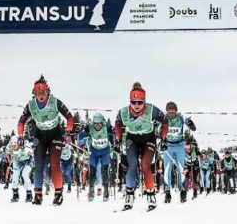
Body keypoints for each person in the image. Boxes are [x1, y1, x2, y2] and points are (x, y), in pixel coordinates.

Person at [16, 75, 74, 206]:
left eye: (43, 93)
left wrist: (68, 132)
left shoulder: (55, 102)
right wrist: (20, 136)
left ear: (48, 91)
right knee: (39, 165)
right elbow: (21, 122)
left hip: (55, 134)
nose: (41, 96)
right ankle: (38, 195)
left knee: (54, 165)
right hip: (40, 135)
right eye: (38, 93)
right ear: (34, 93)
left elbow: (69, 117)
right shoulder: (31, 105)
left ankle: (58, 193)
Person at [114, 82, 167, 211]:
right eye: (133, 102)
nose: (136, 105)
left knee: (145, 165)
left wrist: (163, 137)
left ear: (144, 101)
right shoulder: (124, 112)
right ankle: (129, 196)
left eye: (140, 102)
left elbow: (165, 121)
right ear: (130, 101)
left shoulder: (152, 110)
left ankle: (150, 196)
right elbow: (117, 125)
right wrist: (118, 140)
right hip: (132, 139)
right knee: (132, 165)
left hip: (148, 139)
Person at [162, 101, 196, 203]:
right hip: (168, 146)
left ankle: (183, 191)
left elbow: (193, 127)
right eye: (169, 111)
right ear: (167, 111)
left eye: (173, 111)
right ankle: (167, 193)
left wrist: (190, 124)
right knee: (167, 169)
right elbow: (157, 131)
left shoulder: (181, 117)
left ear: (176, 111)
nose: (171, 113)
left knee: (181, 169)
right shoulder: (164, 118)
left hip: (179, 145)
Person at [78, 111, 114, 202]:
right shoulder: (90, 126)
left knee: (104, 171)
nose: (97, 126)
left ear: (102, 122)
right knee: (92, 171)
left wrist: (115, 142)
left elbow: (114, 134)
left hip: (105, 151)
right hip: (94, 151)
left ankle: (106, 192)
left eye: (99, 124)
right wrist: (79, 139)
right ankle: (91, 191)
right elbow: (81, 135)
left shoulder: (107, 126)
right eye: (95, 124)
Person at [8, 135, 33, 202]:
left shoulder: (25, 146)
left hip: (27, 161)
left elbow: (32, 153)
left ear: (19, 143)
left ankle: (29, 194)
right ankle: (15, 194)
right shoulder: (9, 146)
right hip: (17, 162)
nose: (13, 147)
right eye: (12, 145)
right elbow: (7, 152)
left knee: (24, 174)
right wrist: (9, 159)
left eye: (15, 145)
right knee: (15, 177)